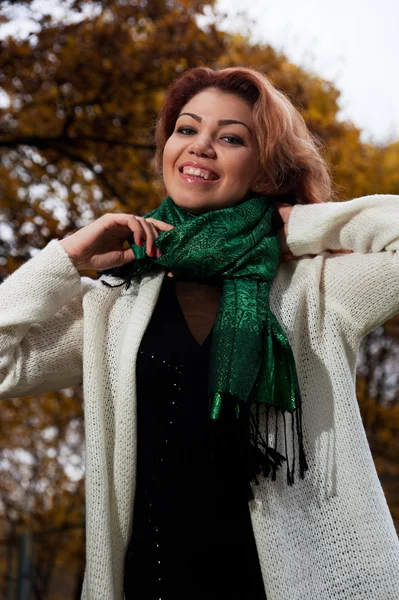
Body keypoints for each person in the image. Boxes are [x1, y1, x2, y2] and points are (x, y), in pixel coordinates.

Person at [0, 66, 398, 600]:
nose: (201, 146)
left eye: (231, 138)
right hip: (153, 584)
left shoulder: (316, 289)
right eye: (186, 130)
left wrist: (295, 226)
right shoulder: (114, 306)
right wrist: (67, 257)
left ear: (263, 172)